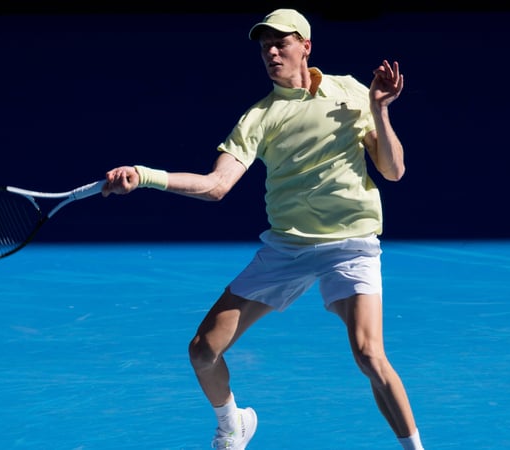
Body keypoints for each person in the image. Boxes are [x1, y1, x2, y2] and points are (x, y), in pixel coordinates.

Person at [102, 8, 424, 450]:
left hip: (350, 245)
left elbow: (393, 170)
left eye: (281, 43)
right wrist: (145, 175)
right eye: (264, 47)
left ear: (305, 47)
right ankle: (232, 424)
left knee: (369, 355)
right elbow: (216, 185)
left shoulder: (351, 90)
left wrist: (380, 109)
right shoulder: (259, 117)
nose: (271, 53)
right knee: (202, 350)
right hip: (287, 249)